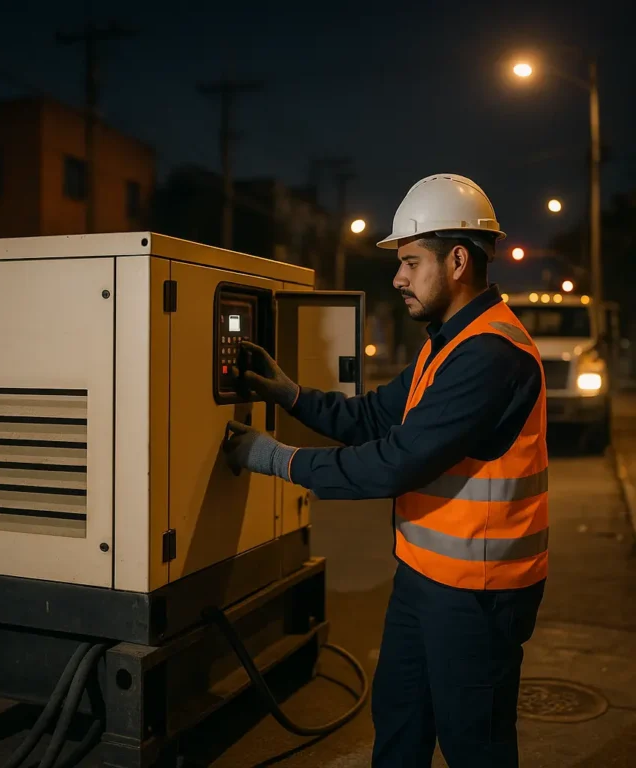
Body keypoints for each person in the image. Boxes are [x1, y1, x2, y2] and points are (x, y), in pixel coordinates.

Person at [223, 173, 548, 767]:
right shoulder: (445, 345)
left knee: (475, 746)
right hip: (424, 578)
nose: (397, 277)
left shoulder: (491, 355)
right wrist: (293, 395)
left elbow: (393, 463)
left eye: (409, 261)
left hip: (478, 595)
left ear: (455, 260)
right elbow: (374, 416)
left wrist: (274, 458)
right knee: (399, 724)